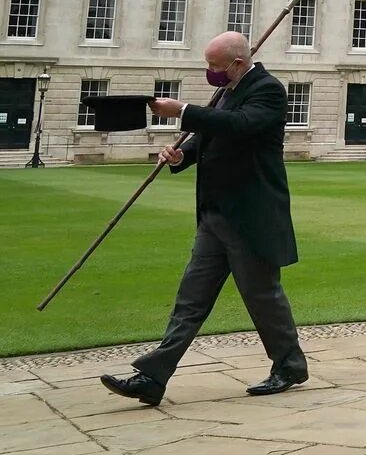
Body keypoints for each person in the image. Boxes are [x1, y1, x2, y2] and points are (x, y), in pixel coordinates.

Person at [102, 32, 308, 406]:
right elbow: (212, 134)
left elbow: (240, 126)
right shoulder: (228, 89)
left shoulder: (269, 90)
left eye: (214, 66)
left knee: (262, 295)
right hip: (215, 213)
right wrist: (183, 155)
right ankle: (153, 376)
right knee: (191, 299)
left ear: (237, 64)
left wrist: (182, 111)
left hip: (250, 215)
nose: (209, 72)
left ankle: (290, 365)